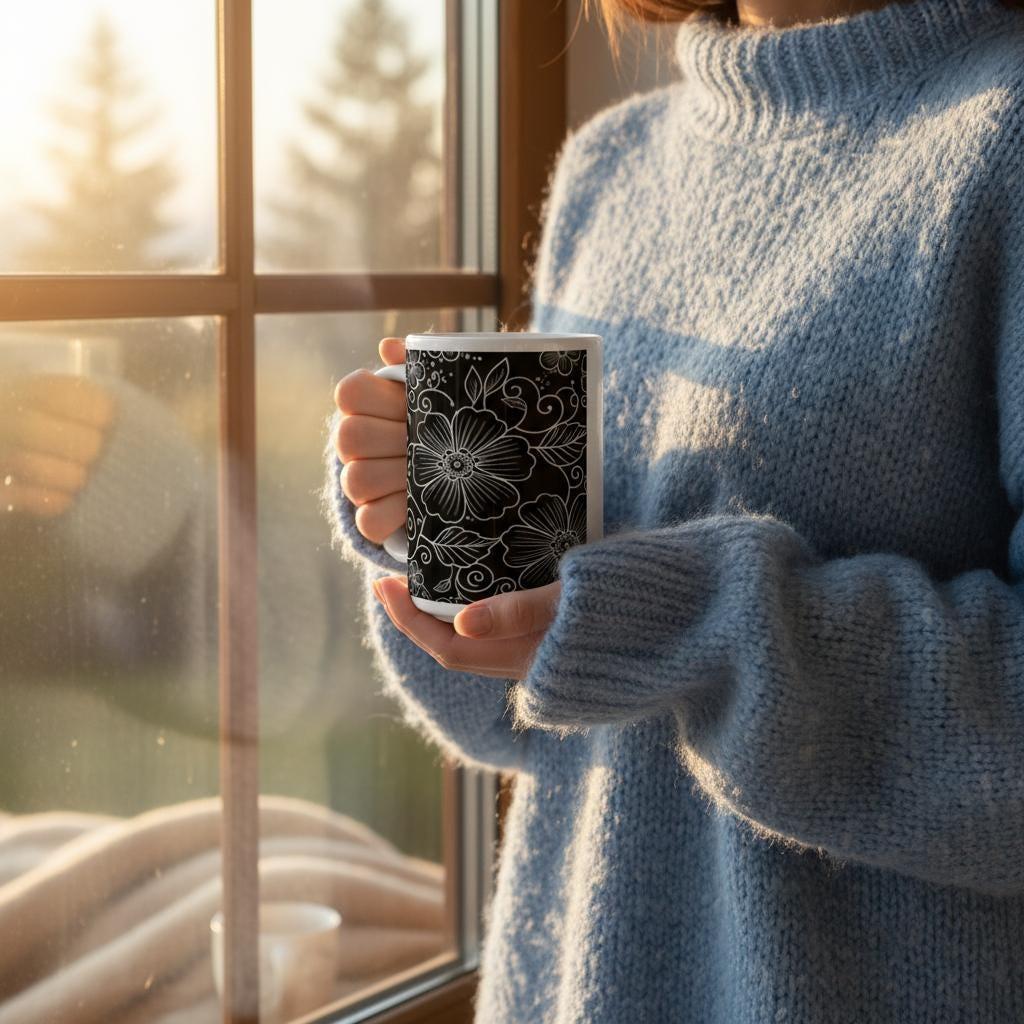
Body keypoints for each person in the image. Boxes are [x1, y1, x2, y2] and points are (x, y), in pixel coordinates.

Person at [322, 0, 1024, 1019]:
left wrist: (687, 624)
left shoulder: (1001, 137)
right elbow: (540, 722)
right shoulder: (610, 164)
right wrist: (431, 529)